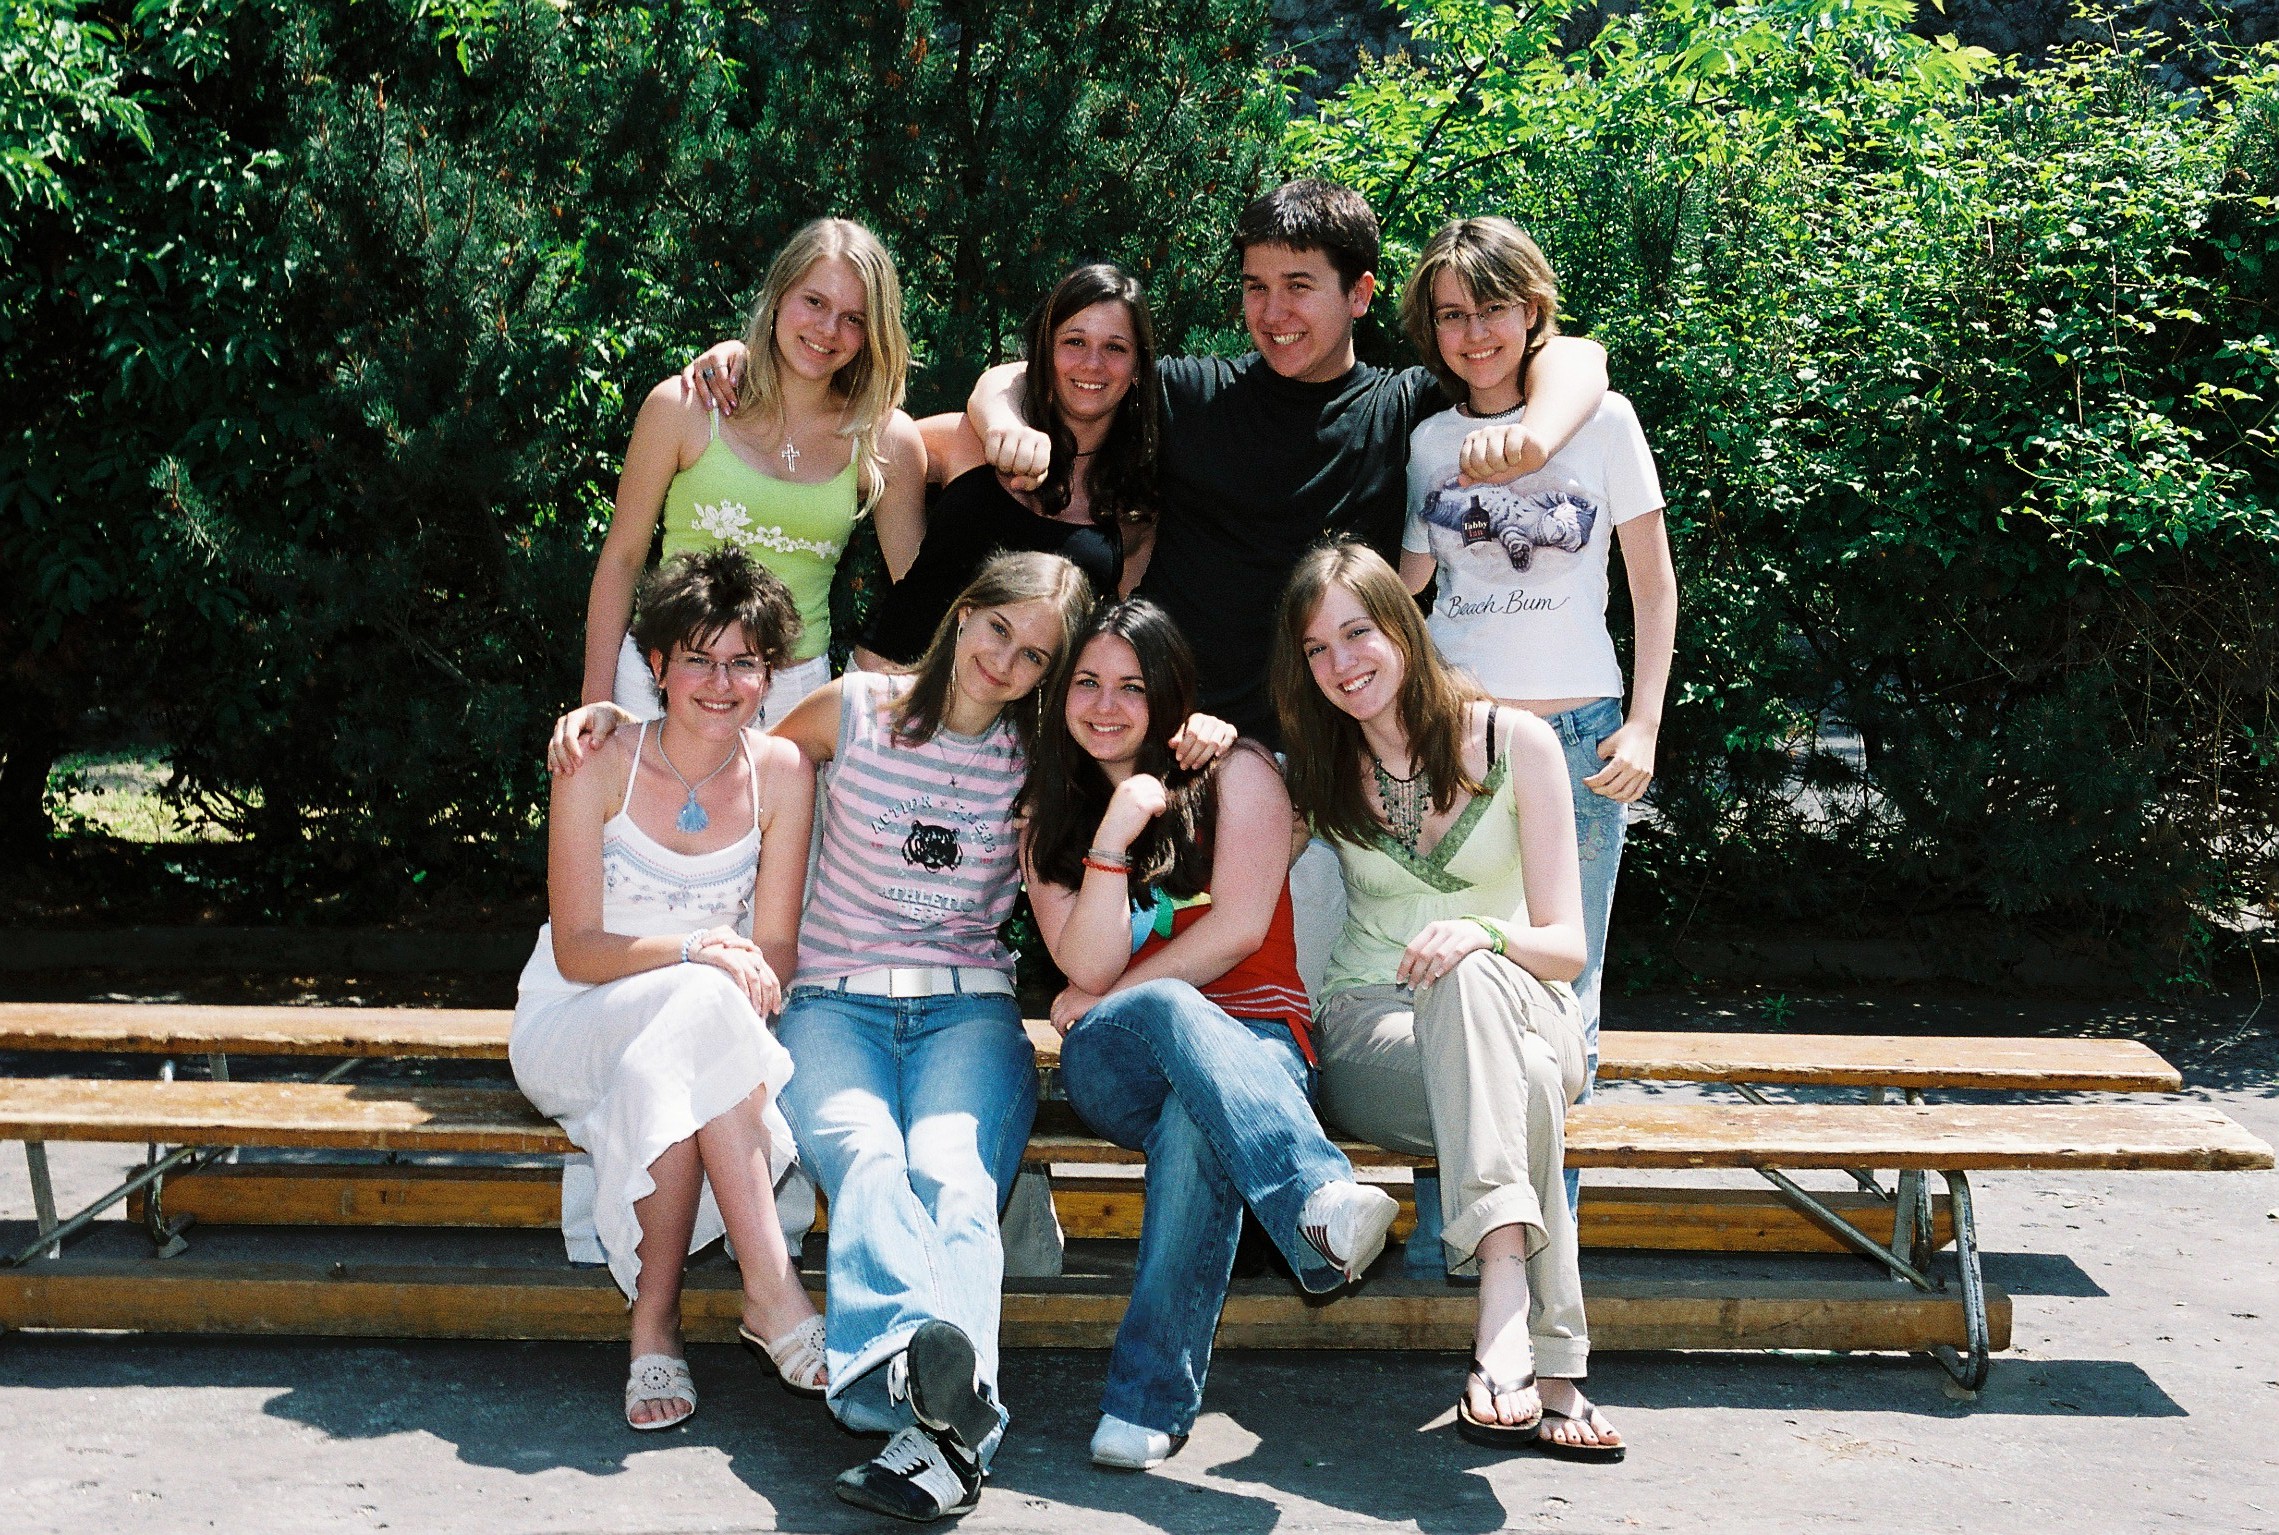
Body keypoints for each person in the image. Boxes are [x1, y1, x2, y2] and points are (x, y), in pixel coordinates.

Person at [957, 179, 1611, 744]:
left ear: (1359, 293)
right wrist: (1006, 424)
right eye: (1256, 287)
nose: (1273, 313)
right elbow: (1025, 377)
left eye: (1298, 286)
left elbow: (1576, 355)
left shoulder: (1404, 409)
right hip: (1167, 738)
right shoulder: (1192, 395)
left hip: (1326, 766)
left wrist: (1535, 437)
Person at [1021, 599, 1398, 1472]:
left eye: (1131, 685)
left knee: (1196, 1120)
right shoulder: (1047, 812)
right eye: (1086, 682)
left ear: (1167, 693)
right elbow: (1085, 963)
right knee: (1165, 1010)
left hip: (1258, 1044)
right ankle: (1314, 1199)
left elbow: (1236, 930)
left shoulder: (1240, 773)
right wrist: (1112, 835)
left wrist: (1113, 990)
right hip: (1117, 1059)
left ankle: (1143, 1406)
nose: (1106, 705)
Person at [1273, 541, 1626, 1462]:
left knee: (1473, 986)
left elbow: (1567, 945)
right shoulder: (1318, 771)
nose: (1341, 662)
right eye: (1316, 649)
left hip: (1526, 1001)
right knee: (1528, 1087)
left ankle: (1502, 1300)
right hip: (1371, 1027)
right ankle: (1555, 1363)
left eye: (1357, 632)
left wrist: (1481, 934)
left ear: (1402, 625)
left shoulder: (1518, 743)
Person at [1393, 215, 1678, 1214]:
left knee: (1564, 986)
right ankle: (1454, 1228)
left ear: (1531, 310)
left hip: (1579, 740)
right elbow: (1405, 588)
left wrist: (1643, 723)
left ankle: (1546, 1234)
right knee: (1444, 971)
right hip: (1458, 742)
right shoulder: (1428, 440)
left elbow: (1651, 586)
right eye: (1450, 315)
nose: (1473, 334)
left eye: (1491, 310)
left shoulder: (1604, 422)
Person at [511, 548, 825, 1432]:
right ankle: (770, 1290)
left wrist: (723, 970)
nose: (721, 684)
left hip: (700, 1022)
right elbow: (577, 948)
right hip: (573, 1018)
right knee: (700, 1004)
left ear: (769, 673)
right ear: (656, 664)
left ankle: (655, 1330)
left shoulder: (784, 772)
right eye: (698, 658)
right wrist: (696, 950)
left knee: (685, 1046)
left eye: (743, 662)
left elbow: (773, 950)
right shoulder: (597, 758)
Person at [684, 261, 1161, 671]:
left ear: (1139, 366)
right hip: (884, 700)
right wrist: (750, 362)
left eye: (1115, 348)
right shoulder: (967, 439)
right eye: (1074, 341)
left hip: (1007, 742)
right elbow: (814, 447)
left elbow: (1114, 651)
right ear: (1044, 352)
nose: (1092, 364)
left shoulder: (1133, 508)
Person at [575, 217, 925, 736]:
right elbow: (622, 558)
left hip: (792, 700)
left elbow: (919, 598)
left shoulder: (884, 440)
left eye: (853, 318)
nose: (828, 330)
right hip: (659, 681)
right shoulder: (684, 407)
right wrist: (595, 705)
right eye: (814, 302)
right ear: (779, 294)